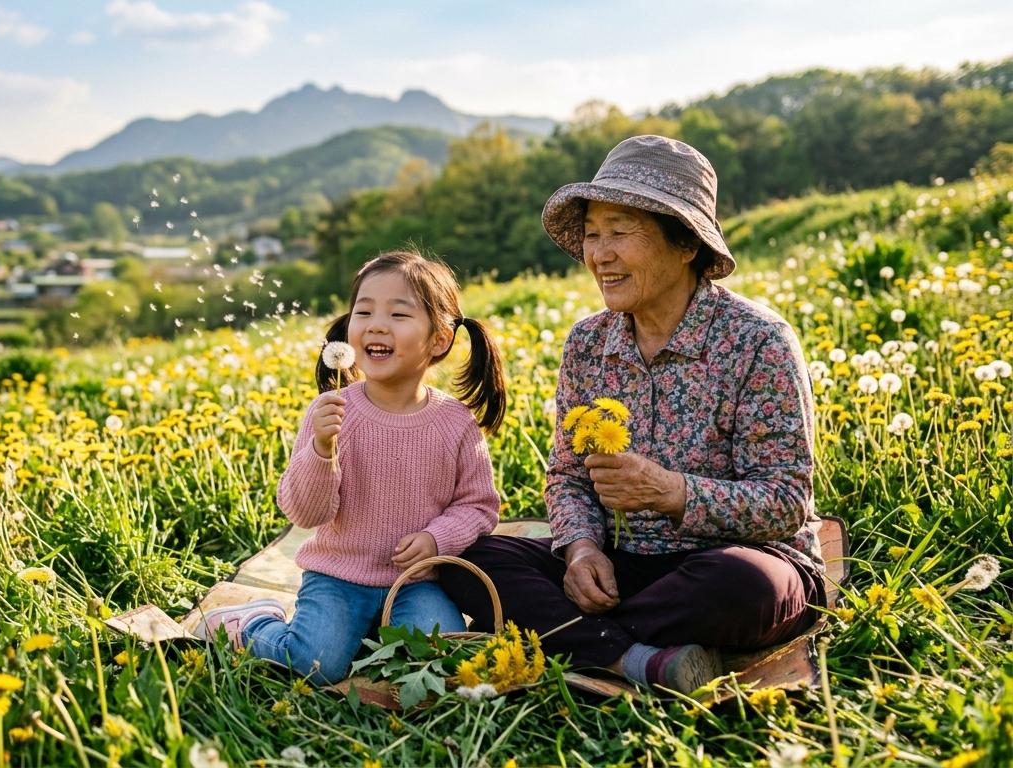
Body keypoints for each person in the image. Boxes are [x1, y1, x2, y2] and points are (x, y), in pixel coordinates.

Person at [439, 135, 826, 694]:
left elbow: (786, 502)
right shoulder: (588, 343)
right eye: (592, 235)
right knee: (464, 558)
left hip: (726, 562)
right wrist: (581, 550)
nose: (599, 255)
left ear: (686, 244)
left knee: (745, 587)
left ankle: (572, 640)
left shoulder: (758, 341)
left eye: (620, 232)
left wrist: (672, 492)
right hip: (620, 565)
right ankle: (636, 657)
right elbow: (568, 477)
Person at [192, 249, 507, 684]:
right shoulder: (334, 411)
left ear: (440, 339)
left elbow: (479, 507)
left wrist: (438, 539)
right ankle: (250, 624)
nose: (376, 324)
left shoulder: (455, 422)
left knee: (445, 664)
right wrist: (321, 450)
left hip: (418, 581)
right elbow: (305, 514)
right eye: (364, 311)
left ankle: (368, 635)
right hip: (338, 577)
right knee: (315, 666)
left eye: (399, 314)